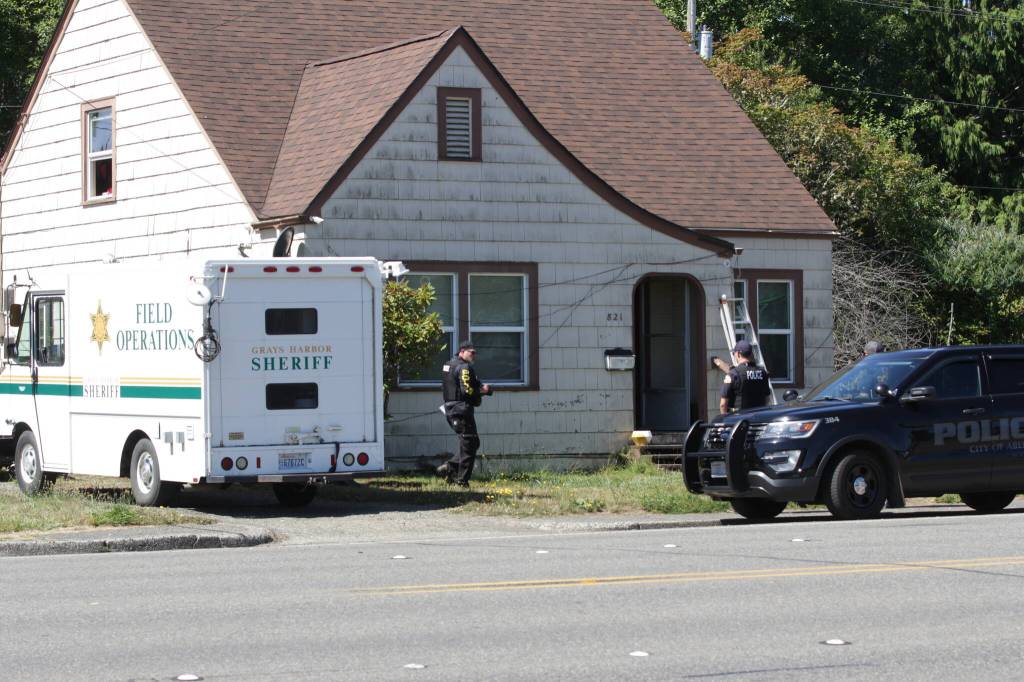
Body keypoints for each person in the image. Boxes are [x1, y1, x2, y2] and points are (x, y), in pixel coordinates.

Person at [437, 341, 493, 486]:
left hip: (451, 409)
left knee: (471, 443)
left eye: (475, 353)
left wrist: (479, 386)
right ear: (462, 351)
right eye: (471, 353)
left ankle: (449, 470)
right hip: (461, 410)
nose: (474, 356)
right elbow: (466, 390)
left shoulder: (448, 364)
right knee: (469, 444)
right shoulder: (464, 367)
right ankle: (461, 481)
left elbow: (460, 384)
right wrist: (484, 391)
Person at [719, 340, 771, 414]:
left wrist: (724, 422)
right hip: (759, 420)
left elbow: (723, 404)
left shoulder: (734, 374)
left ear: (738, 354)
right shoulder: (763, 373)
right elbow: (767, 399)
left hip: (740, 420)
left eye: (734, 353)